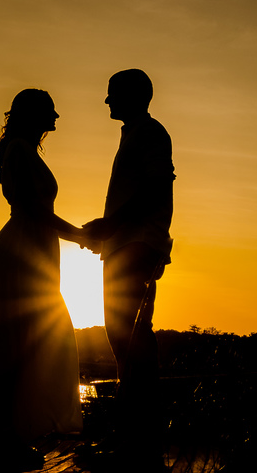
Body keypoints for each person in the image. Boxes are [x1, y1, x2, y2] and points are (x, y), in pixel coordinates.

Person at [0, 88, 88, 471]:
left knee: (30, 345)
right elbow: (34, 211)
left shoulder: (25, 150)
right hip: (21, 254)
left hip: (35, 253)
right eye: (50, 111)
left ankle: (13, 437)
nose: (56, 117)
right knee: (13, 348)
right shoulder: (20, 152)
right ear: (32, 114)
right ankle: (1, 445)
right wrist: (81, 236)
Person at [83, 69, 174, 470]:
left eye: (112, 93)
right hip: (124, 246)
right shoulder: (134, 134)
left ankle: (139, 446)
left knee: (133, 343)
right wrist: (108, 233)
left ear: (134, 96)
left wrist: (111, 226)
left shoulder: (150, 133)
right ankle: (130, 440)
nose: (107, 100)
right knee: (124, 344)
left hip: (136, 248)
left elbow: (156, 188)